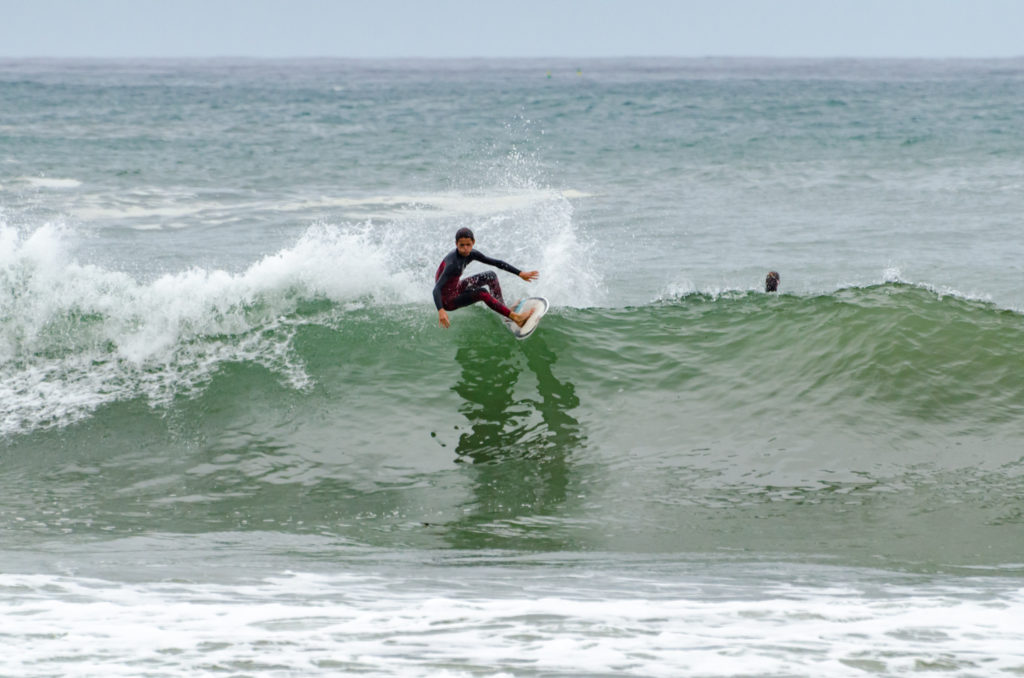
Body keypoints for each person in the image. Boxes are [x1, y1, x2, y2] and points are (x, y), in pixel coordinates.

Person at [433, 227, 539, 329]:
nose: (465, 248)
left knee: (490, 275)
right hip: (448, 301)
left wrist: (520, 273)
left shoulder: (471, 254)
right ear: (456, 244)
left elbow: (496, 263)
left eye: (468, 245)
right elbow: (436, 289)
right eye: (462, 245)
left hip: (456, 288)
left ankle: (505, 311)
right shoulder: (453, 264)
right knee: (482, 293)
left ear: (473, 242)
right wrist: (441, 310)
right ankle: (515, 317)